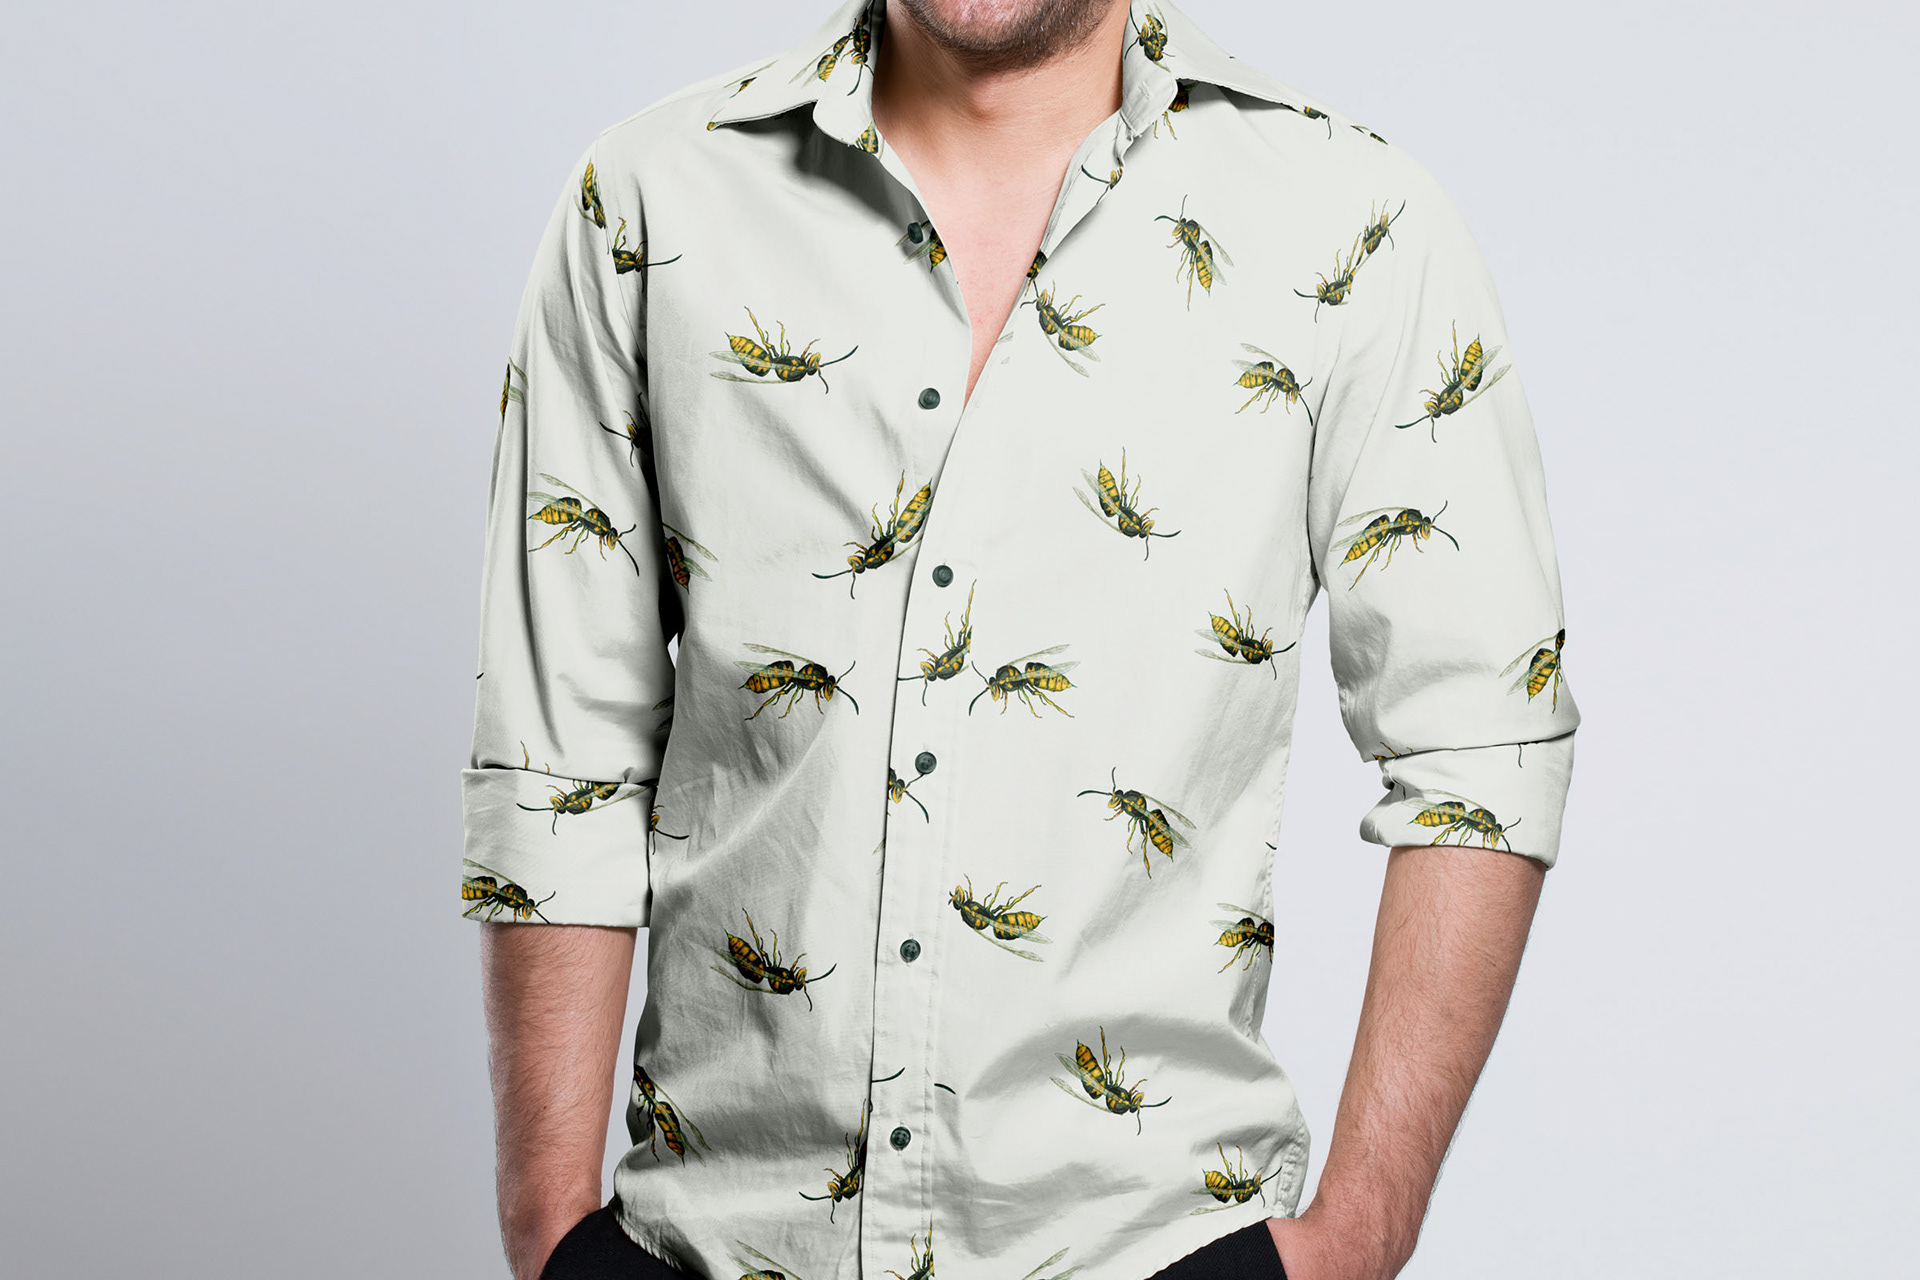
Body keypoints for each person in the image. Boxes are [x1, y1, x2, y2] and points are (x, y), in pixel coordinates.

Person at [460, 1, 1580, 1278]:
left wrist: (1357, 1235)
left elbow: (1484, 744)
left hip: (1156, 1244)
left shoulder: (1351, 223)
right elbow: (560, 748)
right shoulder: (653, 201)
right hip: (713, 1243)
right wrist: (550, 1228)